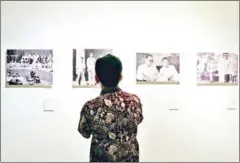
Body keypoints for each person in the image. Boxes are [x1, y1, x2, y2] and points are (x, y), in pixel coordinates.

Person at [78, 54, 143, 162]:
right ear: (121, 77)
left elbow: (84, 132)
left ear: (96, 78)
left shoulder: (91, 107)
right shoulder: (134, 101)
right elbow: (139, 120)